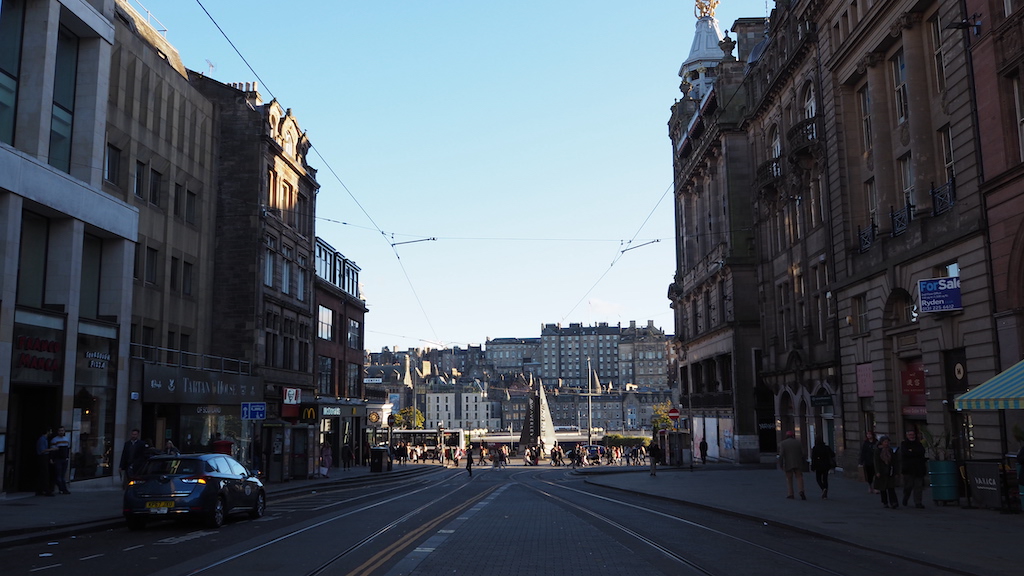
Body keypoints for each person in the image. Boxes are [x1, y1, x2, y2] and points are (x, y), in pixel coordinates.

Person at [900, 429, 927, 508]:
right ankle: (906, 497)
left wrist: (912, 451)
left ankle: (918, 502)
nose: (912, 436)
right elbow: (906, 453)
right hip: (908, 469)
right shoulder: (904, 444)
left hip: (919, 469)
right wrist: (914, 452)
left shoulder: (919, 444)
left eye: (913, 435)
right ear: (907, 435)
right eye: (910, 435)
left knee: (918, 487)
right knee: (908, 486)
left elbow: (921, 452)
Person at [873, 435, 899, 508]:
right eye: (885, 442)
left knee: (891, 487)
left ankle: (893, 502)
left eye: (887, 442)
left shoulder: (891, 450)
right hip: (882, 471)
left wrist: (896, 472)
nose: (886, 443)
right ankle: (885, 502)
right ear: (881, 443)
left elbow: (894, 461)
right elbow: (876, 461)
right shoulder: (878, 450)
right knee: (883, 488)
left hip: (890, 471)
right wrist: (877, 471)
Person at [779, 430, 806, 500]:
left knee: (789, 478)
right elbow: (803, 453)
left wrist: (781, 464)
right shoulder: (798, 443)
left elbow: (781, 455)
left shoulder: (783, 443)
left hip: (788, 463)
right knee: (799, 477)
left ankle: (791, 494)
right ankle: (801, 490)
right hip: (798, 463)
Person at [50, 426, 71, 495]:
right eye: (60, 431)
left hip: (64, 459)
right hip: (58, 459)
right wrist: (52, 458)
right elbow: (52, 450)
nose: (61, 432)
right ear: (58, 432)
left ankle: (62, 489)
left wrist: (67, 457)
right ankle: (62, 489)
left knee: (62, 475)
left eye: (62, 431)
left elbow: (68, 449)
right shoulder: (54, 440)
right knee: (59, 475)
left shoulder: (66, 439)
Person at [36, 429, 54, 496]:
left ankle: (41, 489)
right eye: (50, 431)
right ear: (48, 431)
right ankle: (45, 490)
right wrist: (52, 449)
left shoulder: (45, 439)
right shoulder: (42, 439)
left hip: (45, 457)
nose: (51, 433)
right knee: (44, 473)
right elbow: (42, 450)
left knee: (44, 473)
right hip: (42, 457)